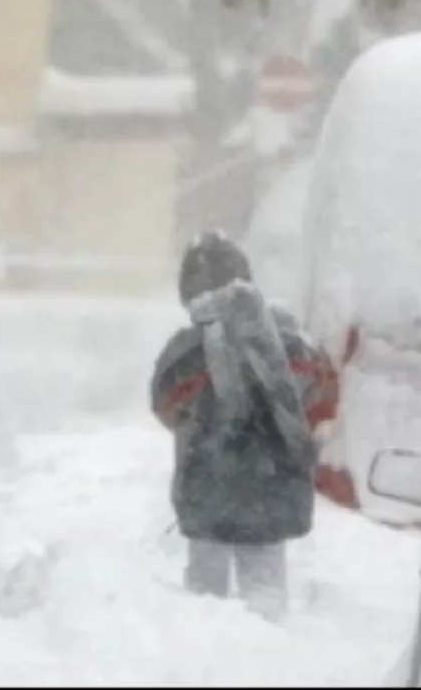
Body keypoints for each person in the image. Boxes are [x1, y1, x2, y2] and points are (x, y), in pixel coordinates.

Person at [150, 230, 337, 621]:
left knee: (204, 600)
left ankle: (204, 669)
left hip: (208, 487)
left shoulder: (183, 351)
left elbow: (165, 407)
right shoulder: (290, 340)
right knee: (266, 592)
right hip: (275, 488)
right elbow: (321, 395)